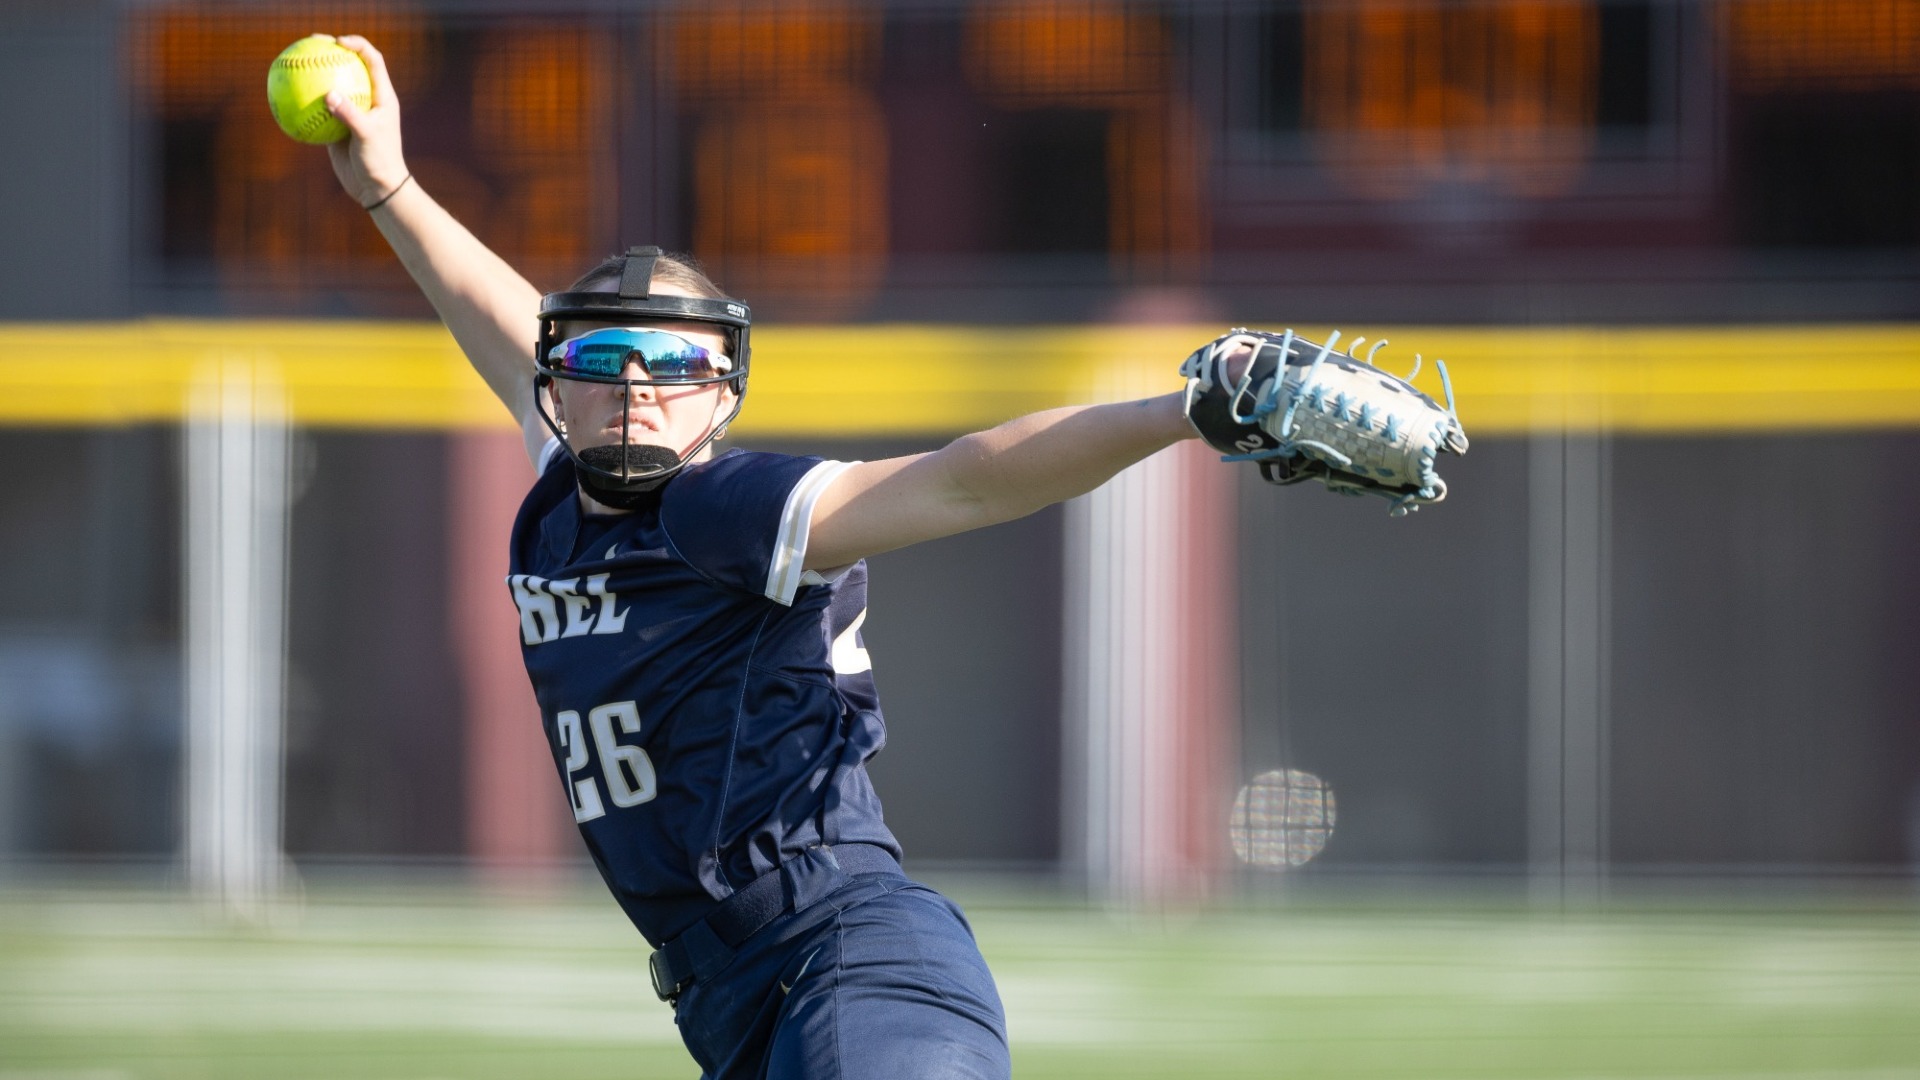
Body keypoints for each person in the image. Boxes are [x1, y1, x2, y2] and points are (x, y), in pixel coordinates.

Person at [318, 34, 1230, 1080]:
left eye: (674, 361)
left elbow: (967, 476)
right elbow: (498, 318)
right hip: (734, 999)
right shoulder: (561, 496)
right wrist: (388, 188)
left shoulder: (723, 505)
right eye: (604, 359)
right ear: (553, 386)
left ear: (722, 393)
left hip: (849, 958)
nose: (638, 385)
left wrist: (1185, 410)